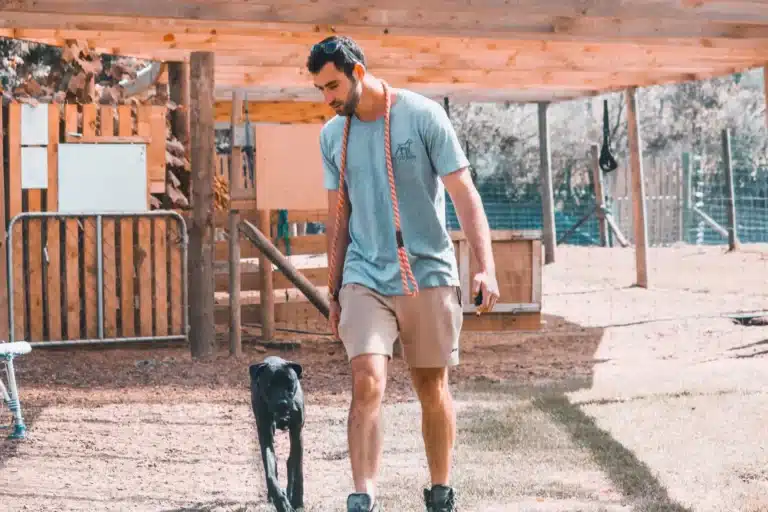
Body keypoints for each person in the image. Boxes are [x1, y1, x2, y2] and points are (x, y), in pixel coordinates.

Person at [306, 35, 499, 512]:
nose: (327, 99)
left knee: (431, 387)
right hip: (365, 275)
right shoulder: (333, 136)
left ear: (357, 72)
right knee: (367, 380)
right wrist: (333, 293)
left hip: (427, 271)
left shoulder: (423, 116)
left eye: (332, 86)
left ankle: (439, 491)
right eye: (319, 90)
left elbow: (464, 194)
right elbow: (338, 221)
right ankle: (363, 496)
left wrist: (485, 267)